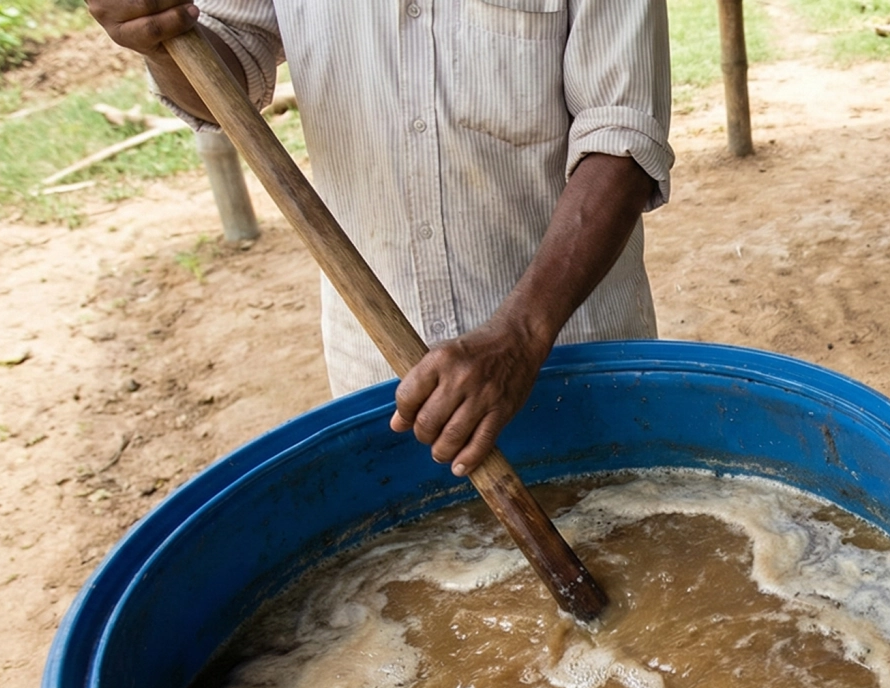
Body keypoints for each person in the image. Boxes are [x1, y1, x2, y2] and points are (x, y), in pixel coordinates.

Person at [87, 0, 671, 477]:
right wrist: (158, 37)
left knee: (629, 547)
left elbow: (621, 139)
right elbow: (226, 68)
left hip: (576, 357)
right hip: (383, 377)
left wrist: (521, 335)